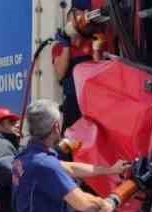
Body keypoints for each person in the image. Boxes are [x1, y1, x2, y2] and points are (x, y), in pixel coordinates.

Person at [52, 2, 104, 130]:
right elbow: (60, 73)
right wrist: (66, 45)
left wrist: (97, 50)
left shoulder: (94, 42)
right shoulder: (59, 48)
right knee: (71, 140)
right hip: (72, 101)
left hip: (92, 99)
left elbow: (100, 72)